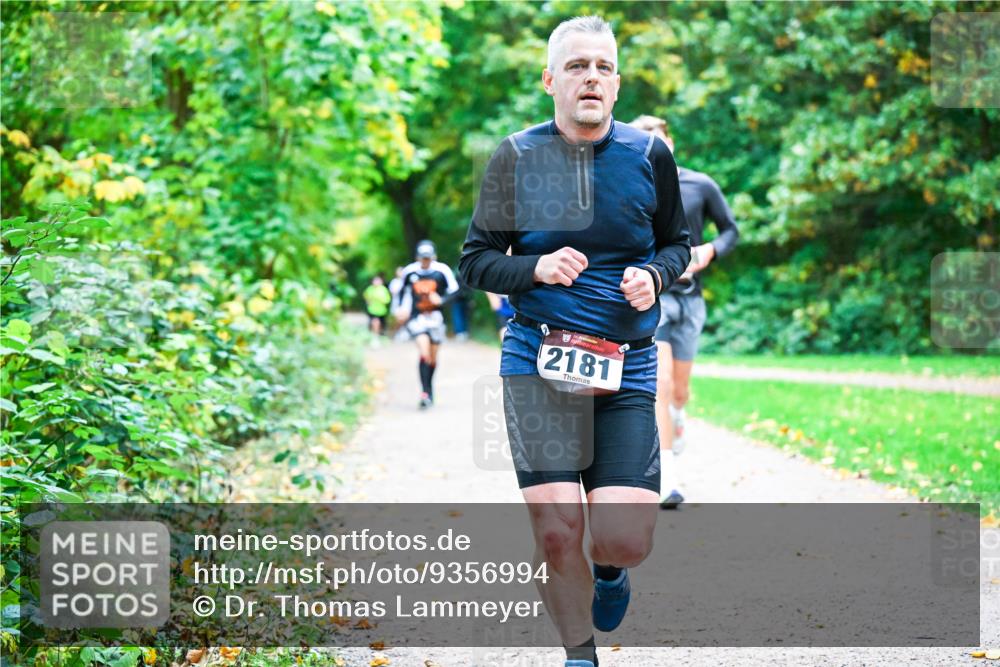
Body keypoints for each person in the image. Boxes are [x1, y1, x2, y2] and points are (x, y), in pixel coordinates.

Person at [459, 16, 689, 667]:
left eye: (604, 67)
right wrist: (533, 267)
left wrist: (655, 273)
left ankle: (612, 571)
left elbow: (676, 243)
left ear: (617, 84)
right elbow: (474, 262)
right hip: (536, 359)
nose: (592, 76)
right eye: (578, 65)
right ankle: (579, 654)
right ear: (550, 79)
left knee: (623, 539)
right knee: (558, 532)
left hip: (625, 369)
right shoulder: (515, 155)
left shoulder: (649, 157)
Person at [630, 115, 740, 510]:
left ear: (669, 142)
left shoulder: (700, 184)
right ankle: (667, 476)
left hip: (691, 298)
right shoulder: (630, 187)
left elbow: (730, 230)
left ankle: (678, 415)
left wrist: (709, 251)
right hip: (653, 299)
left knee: (679, 390)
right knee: (656, 383)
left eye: (656, 140)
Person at [395, 240, 459, 409]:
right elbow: (402, 292)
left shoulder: (442, 271)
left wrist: (441, 300)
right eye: (423, 258)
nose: (425, 262)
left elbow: (454, 291)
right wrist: (401, 310)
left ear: (434, 257)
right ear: (418, 257)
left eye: (428, 258)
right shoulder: (410, 272)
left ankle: (430, 391)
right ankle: (424, 392)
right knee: (424, 352)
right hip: (417, 318)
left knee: (433, 358)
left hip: (436, 318)